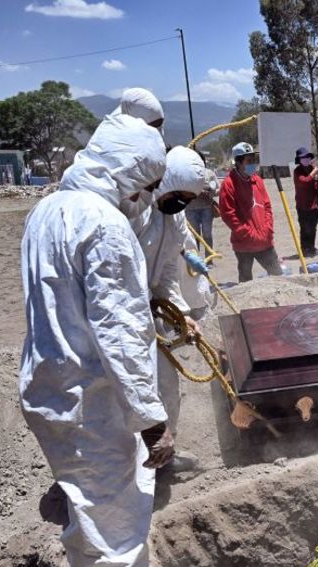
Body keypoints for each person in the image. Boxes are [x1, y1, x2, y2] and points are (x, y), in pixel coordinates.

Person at [18, 111, 179, 567]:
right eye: (139, 188)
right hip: (94, 404)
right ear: (124, 175)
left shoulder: (48, 210)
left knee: (92, 521)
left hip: (53, 397)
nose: (141, 201)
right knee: (118, 540)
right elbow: (121, 331)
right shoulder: (105, 224)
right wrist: (150, 418)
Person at [125, 146, 208, 463]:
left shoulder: (175, 219)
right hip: (126, 313)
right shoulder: (136, 215)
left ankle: (165, 455)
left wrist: (182, 314)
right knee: (131, 388)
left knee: (167, 387)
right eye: (179, 196)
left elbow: (168, 271)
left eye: (188, 199)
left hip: (153, 310)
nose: (181, 204)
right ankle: (132, 462)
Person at [219, 141, 280, 281]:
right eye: (249, 160)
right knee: (246, 279)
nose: (253, 163)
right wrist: (248, 234)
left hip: (265, 241)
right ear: (239, 162)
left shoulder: (257, 180)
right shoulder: (228, 184)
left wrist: (268, 229)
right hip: (244, 244)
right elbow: (228, 215)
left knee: (277, 274)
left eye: (254, 159)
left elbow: (267, 207)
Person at [292, 147, 318, 258]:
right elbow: (304, 181)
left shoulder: (313, 168)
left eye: (307, 157)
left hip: (315, 204)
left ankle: (312, 247)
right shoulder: (297, 171)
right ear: (299, 160)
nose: (306, 159)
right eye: (303, 158)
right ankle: (305, 248)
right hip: (303, 205)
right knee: (305, 227)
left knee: (313, 227)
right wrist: (313, 173)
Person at [184, 150, 218, 249]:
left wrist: (210, 193)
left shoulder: (209, 173)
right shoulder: (186, 174)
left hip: (207, 208)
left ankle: (209, 261)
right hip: (190, 209)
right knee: (194, 235)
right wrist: (196, 192)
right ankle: (197, 261)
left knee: (207, 234)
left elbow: (218, 189)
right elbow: (181, 190)